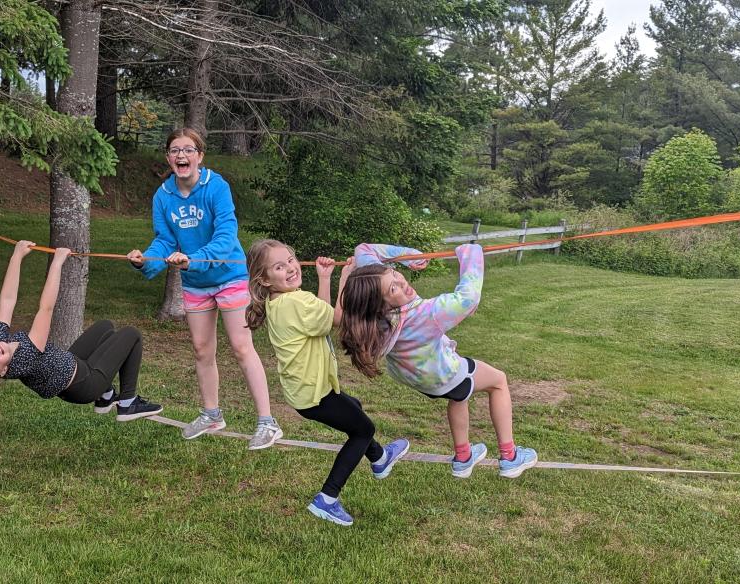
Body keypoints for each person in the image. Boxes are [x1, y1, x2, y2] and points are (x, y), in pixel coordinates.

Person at [127, 128, 281, 451]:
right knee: (201, 350)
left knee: (241, 347)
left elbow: (226, 235)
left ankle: (268, 422)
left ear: (200, 156)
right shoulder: (163, 196)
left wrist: (194, 259)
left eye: (188, 150)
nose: (181, 156)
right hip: (196, 282)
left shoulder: (216, 187)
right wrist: (147, 261)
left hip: (229, 275)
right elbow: (165, 240)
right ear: (168, 157)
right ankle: (212, 414)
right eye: (174, 150)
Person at [245, 239, 410, 526]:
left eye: (292, 259)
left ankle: (380, 456)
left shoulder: (280, 301)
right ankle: (327, 498)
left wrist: (328, 277)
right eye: (279, 266)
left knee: (353, 407)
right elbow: (337, 318)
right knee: (363, 428)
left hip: (305, 391)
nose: (291, 268)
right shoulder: (297, 301)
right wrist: (345, 280)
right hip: (314, 393)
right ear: (264, 279)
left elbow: (319, 317)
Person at [338, 243, 537, 479]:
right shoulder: (425, 314)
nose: (402, 282)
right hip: (446, 374)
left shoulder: (374, 303)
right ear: (380, 303)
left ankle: (463, 458)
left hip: (420, 379)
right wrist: (470, 253)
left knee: (459, 396)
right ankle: (510, 457)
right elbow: (468, 298)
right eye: (393, 289)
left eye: (395, 274)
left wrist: (408, 257)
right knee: (498, 381)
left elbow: (364, 250)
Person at [0, 240, 162, 441]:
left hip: (70, 365)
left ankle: (106, 396)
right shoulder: (25, 357)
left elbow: (8, 300)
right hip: (84, 384)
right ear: (2, 372)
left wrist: (16, 256)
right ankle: (127, 402)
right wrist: (57, 263)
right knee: (131, 334)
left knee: (105, 327)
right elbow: (46, 308)